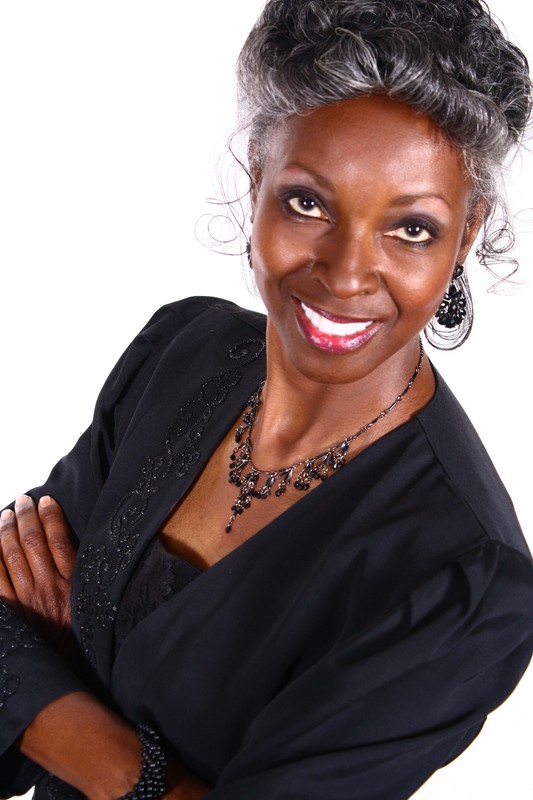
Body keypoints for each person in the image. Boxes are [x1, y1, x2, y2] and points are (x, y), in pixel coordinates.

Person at [1, 0, 532, 797]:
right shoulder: (181, 353)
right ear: (256, 181)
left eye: (411, 229)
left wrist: (83, 715)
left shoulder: (460, 580)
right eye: (308, 203)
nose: (346, 275)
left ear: (466, 233)